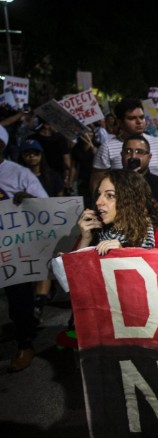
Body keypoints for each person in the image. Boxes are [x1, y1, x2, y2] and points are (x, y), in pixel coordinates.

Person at [0, 125, 49, 372]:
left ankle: (25, 343)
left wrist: (27, 200)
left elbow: (46, 206)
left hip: (12, 248)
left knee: (19, 298)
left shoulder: (19, 174)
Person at [76, 170, 158, 255]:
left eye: (110, 195)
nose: (98, 202)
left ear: (130, 200)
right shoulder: (93, 232)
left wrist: (123, 255)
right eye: (98, 194)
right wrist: (85, 239)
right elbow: (71, 273)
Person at [91, 98, 158, 190]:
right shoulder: (107, 148)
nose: (139, 122)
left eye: (141, 117)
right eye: (132, 118)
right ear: (120, 122)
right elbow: (96, 182)